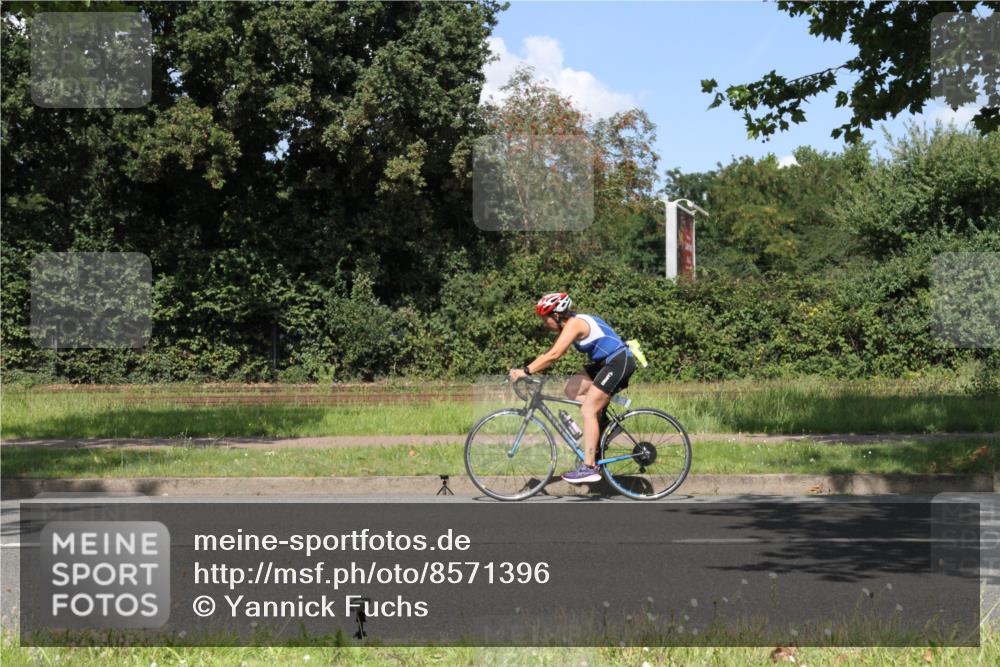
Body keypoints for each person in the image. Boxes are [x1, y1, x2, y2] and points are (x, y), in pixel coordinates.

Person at [508, 292, 637, 483]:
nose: (545, 324)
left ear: (557, 315)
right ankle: (605, 427)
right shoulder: (573, 322)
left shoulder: (574, 324)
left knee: (588, 409)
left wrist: (526, 371)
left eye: (546, 319)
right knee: (571, 390)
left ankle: (589, 467)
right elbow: (552, 356)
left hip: (618, 361)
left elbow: (553, 354)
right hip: (605, 363)